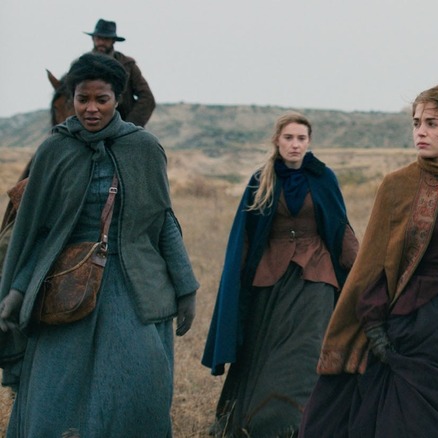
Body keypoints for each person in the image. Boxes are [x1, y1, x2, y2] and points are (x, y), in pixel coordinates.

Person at [299, 84, 438, 437]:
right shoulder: (397, 185)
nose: (421, 132)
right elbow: (373, 262)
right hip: (410, 326)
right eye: (417, 123)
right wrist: (373, 325)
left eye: (432, 123)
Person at [0, 53, 199, 436]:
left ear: (118, 99)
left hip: (133, 285)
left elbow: (163, 222)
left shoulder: (143, 148)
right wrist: (18, 288)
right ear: (71, 99)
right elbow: (37, 233)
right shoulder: (54, 150)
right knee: (56, 396)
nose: (91, 109)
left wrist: (186, 287)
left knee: (136, 388)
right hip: (65, 287)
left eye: (101, 100)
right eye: (82, 99)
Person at [201, 112, 360, 437]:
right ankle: (260, 423)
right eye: (289, 138)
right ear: (277, 140)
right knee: (264, 350)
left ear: (309, 142)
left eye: (301, 138)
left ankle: (302, 424)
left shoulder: (324, 178)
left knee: (307, 348)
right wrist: (238, 282)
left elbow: (340, 228)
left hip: (316, 275)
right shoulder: (262, 179)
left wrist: (363, 271)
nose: (295, 144)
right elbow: (245, 237)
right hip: (270, 277)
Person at [85, 18, 156, 127]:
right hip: (88, 126)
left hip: (121, 124)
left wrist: (129, 126)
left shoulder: (127, 65)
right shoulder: (82, 65)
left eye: (106, 39)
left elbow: (147, 98)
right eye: (99, 38)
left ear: (113, 41)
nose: (101, 43)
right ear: (93, 39)